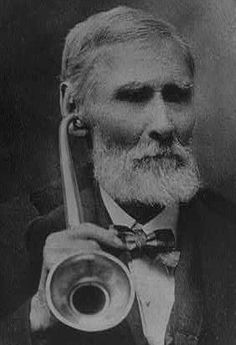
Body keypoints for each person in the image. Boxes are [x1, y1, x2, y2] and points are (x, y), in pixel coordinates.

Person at [1, 6, 236, 345]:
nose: (164, 125)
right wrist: (35, 319)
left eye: (177, 95)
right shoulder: (10, 236)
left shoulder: (228, 229)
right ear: (72, 107)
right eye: (133, 97)